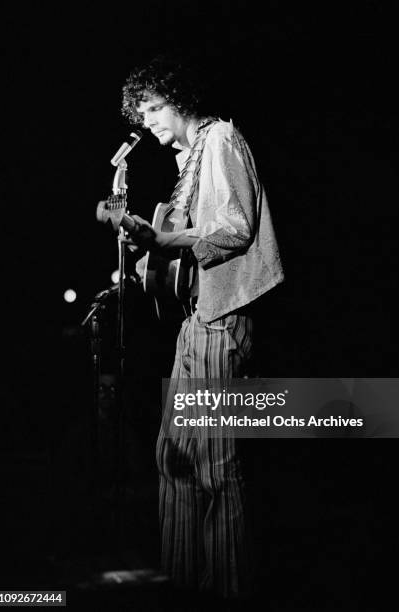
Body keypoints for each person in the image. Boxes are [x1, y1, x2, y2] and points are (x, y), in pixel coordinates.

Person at [116, 56, 284, 600]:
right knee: (174, 457)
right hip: (195, 320)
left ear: (177, 98)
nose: (149, 123)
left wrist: (163, 243)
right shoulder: (191, 159)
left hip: (223, 317)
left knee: (216, 464)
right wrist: (146, 257)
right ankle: (183, 584)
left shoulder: (222, 139)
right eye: (141, 114)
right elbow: (183, 245)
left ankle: (227, 590)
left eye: (153, 109)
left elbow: (234, 229)